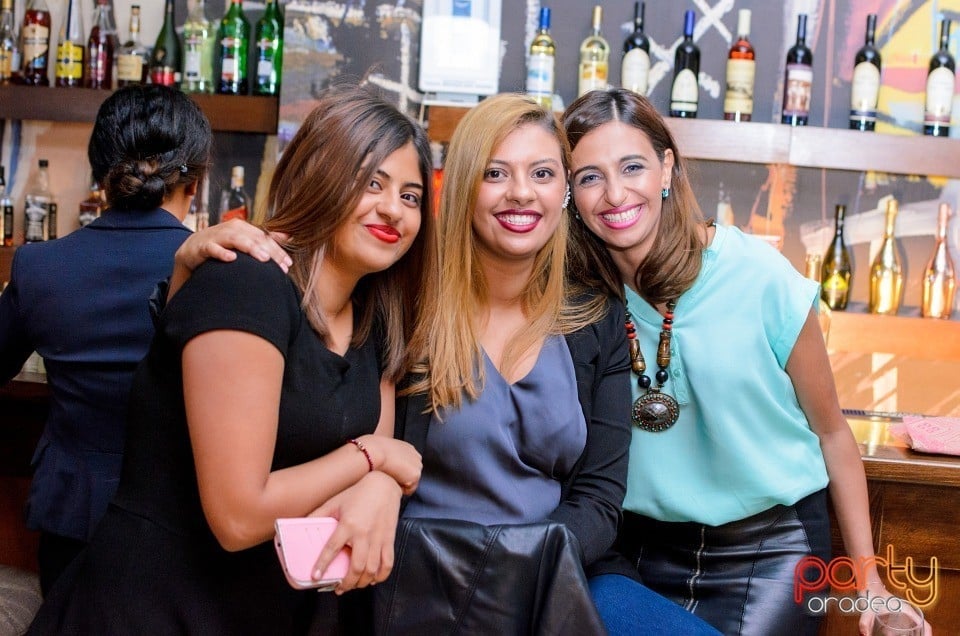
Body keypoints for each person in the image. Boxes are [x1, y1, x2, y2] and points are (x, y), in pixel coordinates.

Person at [28, 84, 430, 635]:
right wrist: (374, 455)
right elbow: (239, 516)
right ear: (320, 177)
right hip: (153, 610)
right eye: (372, 183)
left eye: (411, 196)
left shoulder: (376, 321)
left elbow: (362, 487)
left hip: (266, 610)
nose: (393, 209)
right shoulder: (246, 282)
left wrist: (380, 480)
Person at [562, 88, 931, 636]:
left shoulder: (760, 276)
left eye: (632, 166)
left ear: (667, 168)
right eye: (590, 176)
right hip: (635, 555)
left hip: (770, 554)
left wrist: (868, 584)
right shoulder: (578, 303)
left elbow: (833, 434)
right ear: (570, 193)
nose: (615, 194)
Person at [393, 93, 718, 635]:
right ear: (464, 185)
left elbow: (599, 498)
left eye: (542, 173)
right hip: (426, 576)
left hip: (555, 569)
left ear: (564, 191)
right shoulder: (409, 302)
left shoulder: (595, 316)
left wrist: (523, 565)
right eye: (496, 173)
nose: (521, 192)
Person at [0, 85, 204, 595]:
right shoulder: (220, 269)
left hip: (73, 515)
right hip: (185, 518)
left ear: (101, 175)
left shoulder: (39, 266)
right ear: (196, 182)